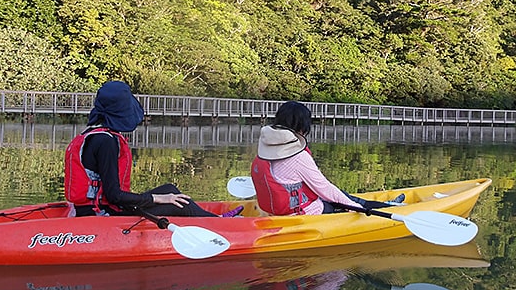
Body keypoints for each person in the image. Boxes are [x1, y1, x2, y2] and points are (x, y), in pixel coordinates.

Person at [65, 81, 242, 218]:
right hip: (101, 213)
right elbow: (114, 196)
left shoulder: (93, 133)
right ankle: (220, 222)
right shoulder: (106, 141)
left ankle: (211, 218)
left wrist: (161, 196)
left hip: (101, 206)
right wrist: (158, 199)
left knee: (169, 188)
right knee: (179, 203)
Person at [251, 101, 403, 215]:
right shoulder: (297, 156)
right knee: (343, 200)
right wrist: (359, 210)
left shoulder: (265, 148)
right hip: (302, 212)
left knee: (344, 196)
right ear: (302, 126)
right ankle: (386, 209)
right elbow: (325, 189)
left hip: (275, 209)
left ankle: (386, 205)